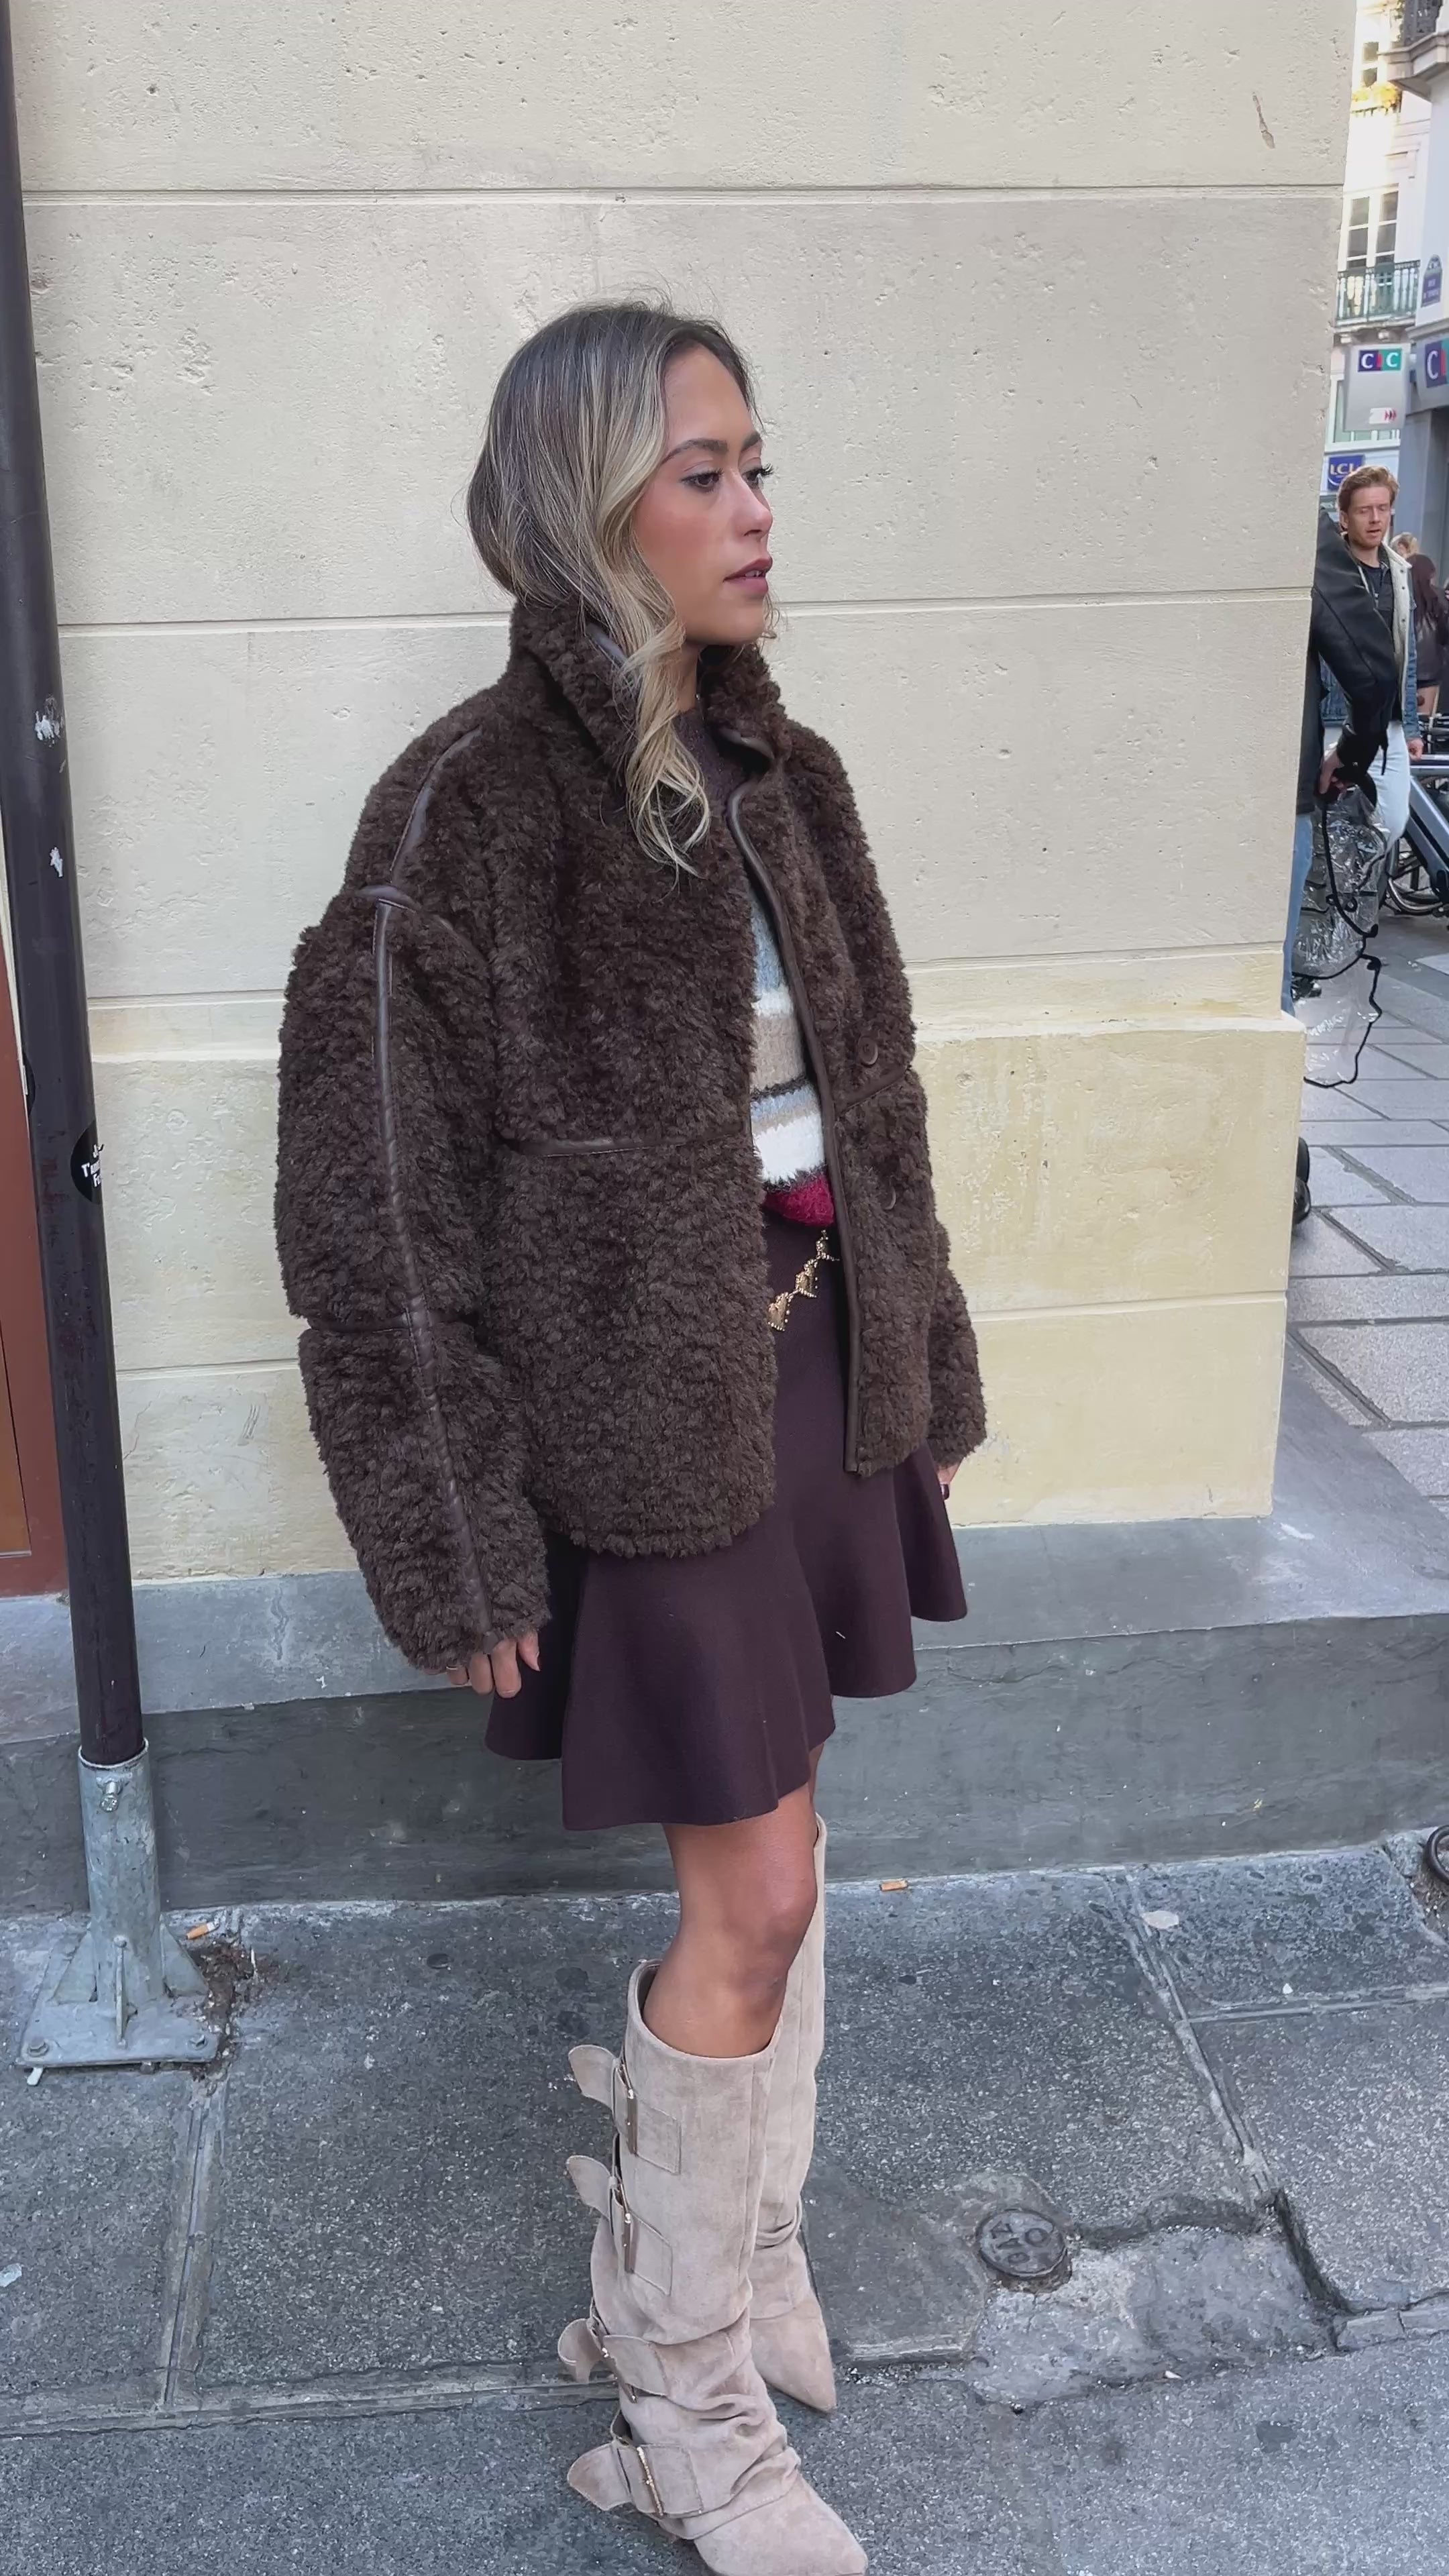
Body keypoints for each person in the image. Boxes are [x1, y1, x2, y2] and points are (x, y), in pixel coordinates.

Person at [274, 301, 985, 2572]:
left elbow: (872, 1101)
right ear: (590, 512)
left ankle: (739, 2255)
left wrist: (918, 1366)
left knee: (798, 1846)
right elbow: (374, 1208)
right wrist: (453, 1531)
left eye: (760, 463)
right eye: (704, 472)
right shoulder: (463, 816)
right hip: (642, 1426)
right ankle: (682, 2410)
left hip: (810, 1370)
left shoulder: (789, 774)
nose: (757, 507)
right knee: (750, 1893)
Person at [1320, 464, 1422, 860]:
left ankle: (1362, 886)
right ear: (1345, 517)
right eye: (1365, 510)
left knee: (1393, 820)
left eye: (1383, 508)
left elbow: (1406, 654)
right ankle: (1340, 893)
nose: (1376, 518)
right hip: (1337, 715)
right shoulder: (1331, 571)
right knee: (1333, 819)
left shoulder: (1399, 571)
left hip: (1388, 720)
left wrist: (1410, 725)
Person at [1411, 547, 1449, 724]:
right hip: (1430, 671)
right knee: (1424, 722)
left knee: (1397, 721)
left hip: (1402, 670)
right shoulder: (1440, 598)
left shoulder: (1399, 596)